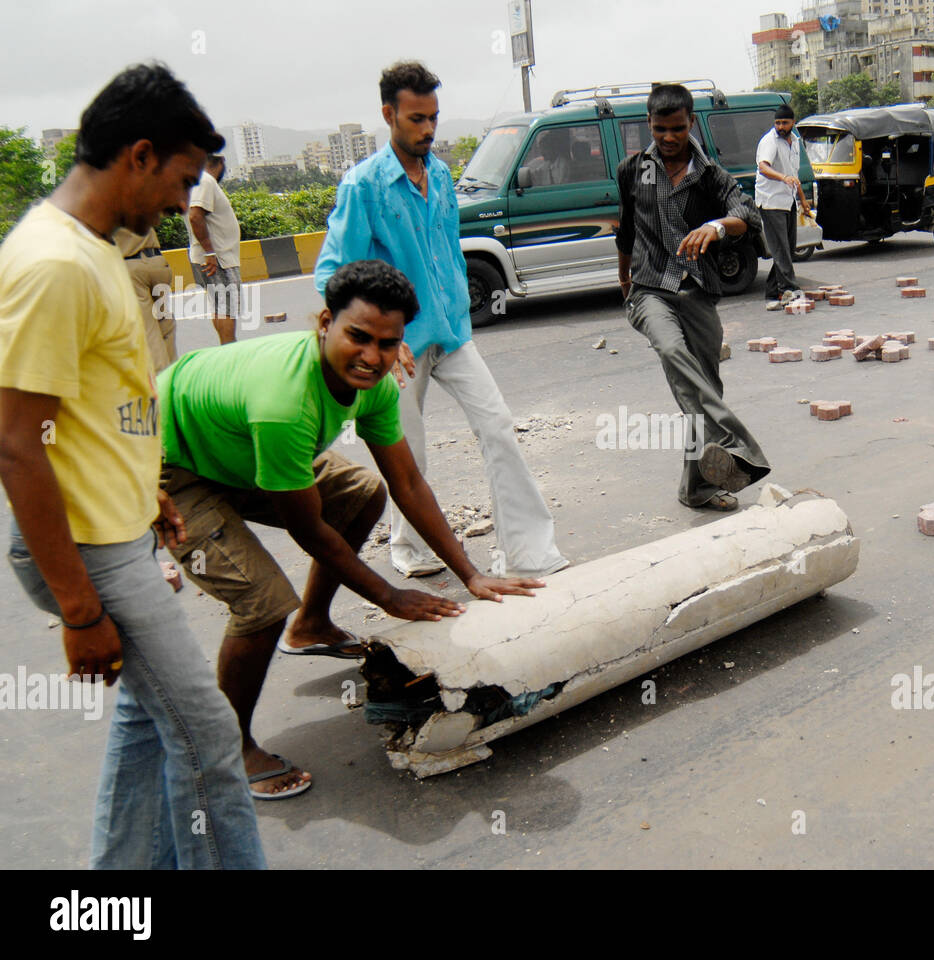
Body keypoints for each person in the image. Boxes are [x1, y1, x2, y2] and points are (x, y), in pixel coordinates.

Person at [0, 63, 264, 869]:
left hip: (116, 533)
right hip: (90, 555)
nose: (179, 203)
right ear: (139, 155)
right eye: (181, 180)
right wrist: (81, 614)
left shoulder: (95, 251)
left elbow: (94, 406)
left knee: (153, 721)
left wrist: (143, 486)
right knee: (210, 738)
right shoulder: (53, 265)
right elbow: (16, 442)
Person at [158, 258, 543, 798]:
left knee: (365, 493)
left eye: (388, 344)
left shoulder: (376, 386)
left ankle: (311, 627)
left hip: (236, 445)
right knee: (263, 602)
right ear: (323, 324)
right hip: (170, 464)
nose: (371, 357)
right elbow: (307, 528)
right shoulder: (284, 402)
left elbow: (407, 482)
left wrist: (472, 574)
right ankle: (225, 748)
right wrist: (388, 595)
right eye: (357, 337)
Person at [316, 61, 567, 579]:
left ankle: (527, 551)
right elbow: (333, 272)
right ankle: (410, 549)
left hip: (452, 332)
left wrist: (459, 306)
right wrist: (372, 343)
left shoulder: (440, 175)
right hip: (397, 347)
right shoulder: (363, 186)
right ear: (389, 115)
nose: (428, 129)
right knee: (409, 453)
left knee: (497, 426)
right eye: (416, 119)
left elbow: (446, 250)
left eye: (433, 117)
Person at [616, 84, 771, 512]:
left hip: (698, 292)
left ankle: (695, 488)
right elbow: (626, 230)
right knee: (672, 352)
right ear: (648, 124)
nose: (668, 137)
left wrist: (718, 227)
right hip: (650, 290)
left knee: (702, 385)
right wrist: (624, 281)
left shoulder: (711, 175)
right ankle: (732, 443)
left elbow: (749, 215)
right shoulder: (631, 170)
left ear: (692, 123)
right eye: (660, 128)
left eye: (677, 129)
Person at [755, 104, 812, 303]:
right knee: (781, 249)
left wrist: (803, 201)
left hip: (788, 201)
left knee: (787, 248)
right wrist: (782, 177)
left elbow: (794, 175)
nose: (780, 126)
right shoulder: (769, 141)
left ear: (792, 123)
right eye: (777, 123)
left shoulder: (795, 142)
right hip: (771, 201)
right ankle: (789, 290)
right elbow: (763, 167)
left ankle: (772, 294)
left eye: (784, 123)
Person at [185, 153, 241, 345]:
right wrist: (210, 252)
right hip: (218, 258)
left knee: (221, 305)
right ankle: (229, 350)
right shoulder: (205, 180)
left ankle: (226, 348)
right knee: (226, 306)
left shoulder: (197, 180)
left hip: (214, 256)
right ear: (221, 161)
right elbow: (195, 216)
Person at [113, 225, 177, 371]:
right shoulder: (141, 201)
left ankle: (161, 382)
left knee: (149, 332)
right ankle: (175, 375)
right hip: (158, 262)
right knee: (165, 325)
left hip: (132, 266)